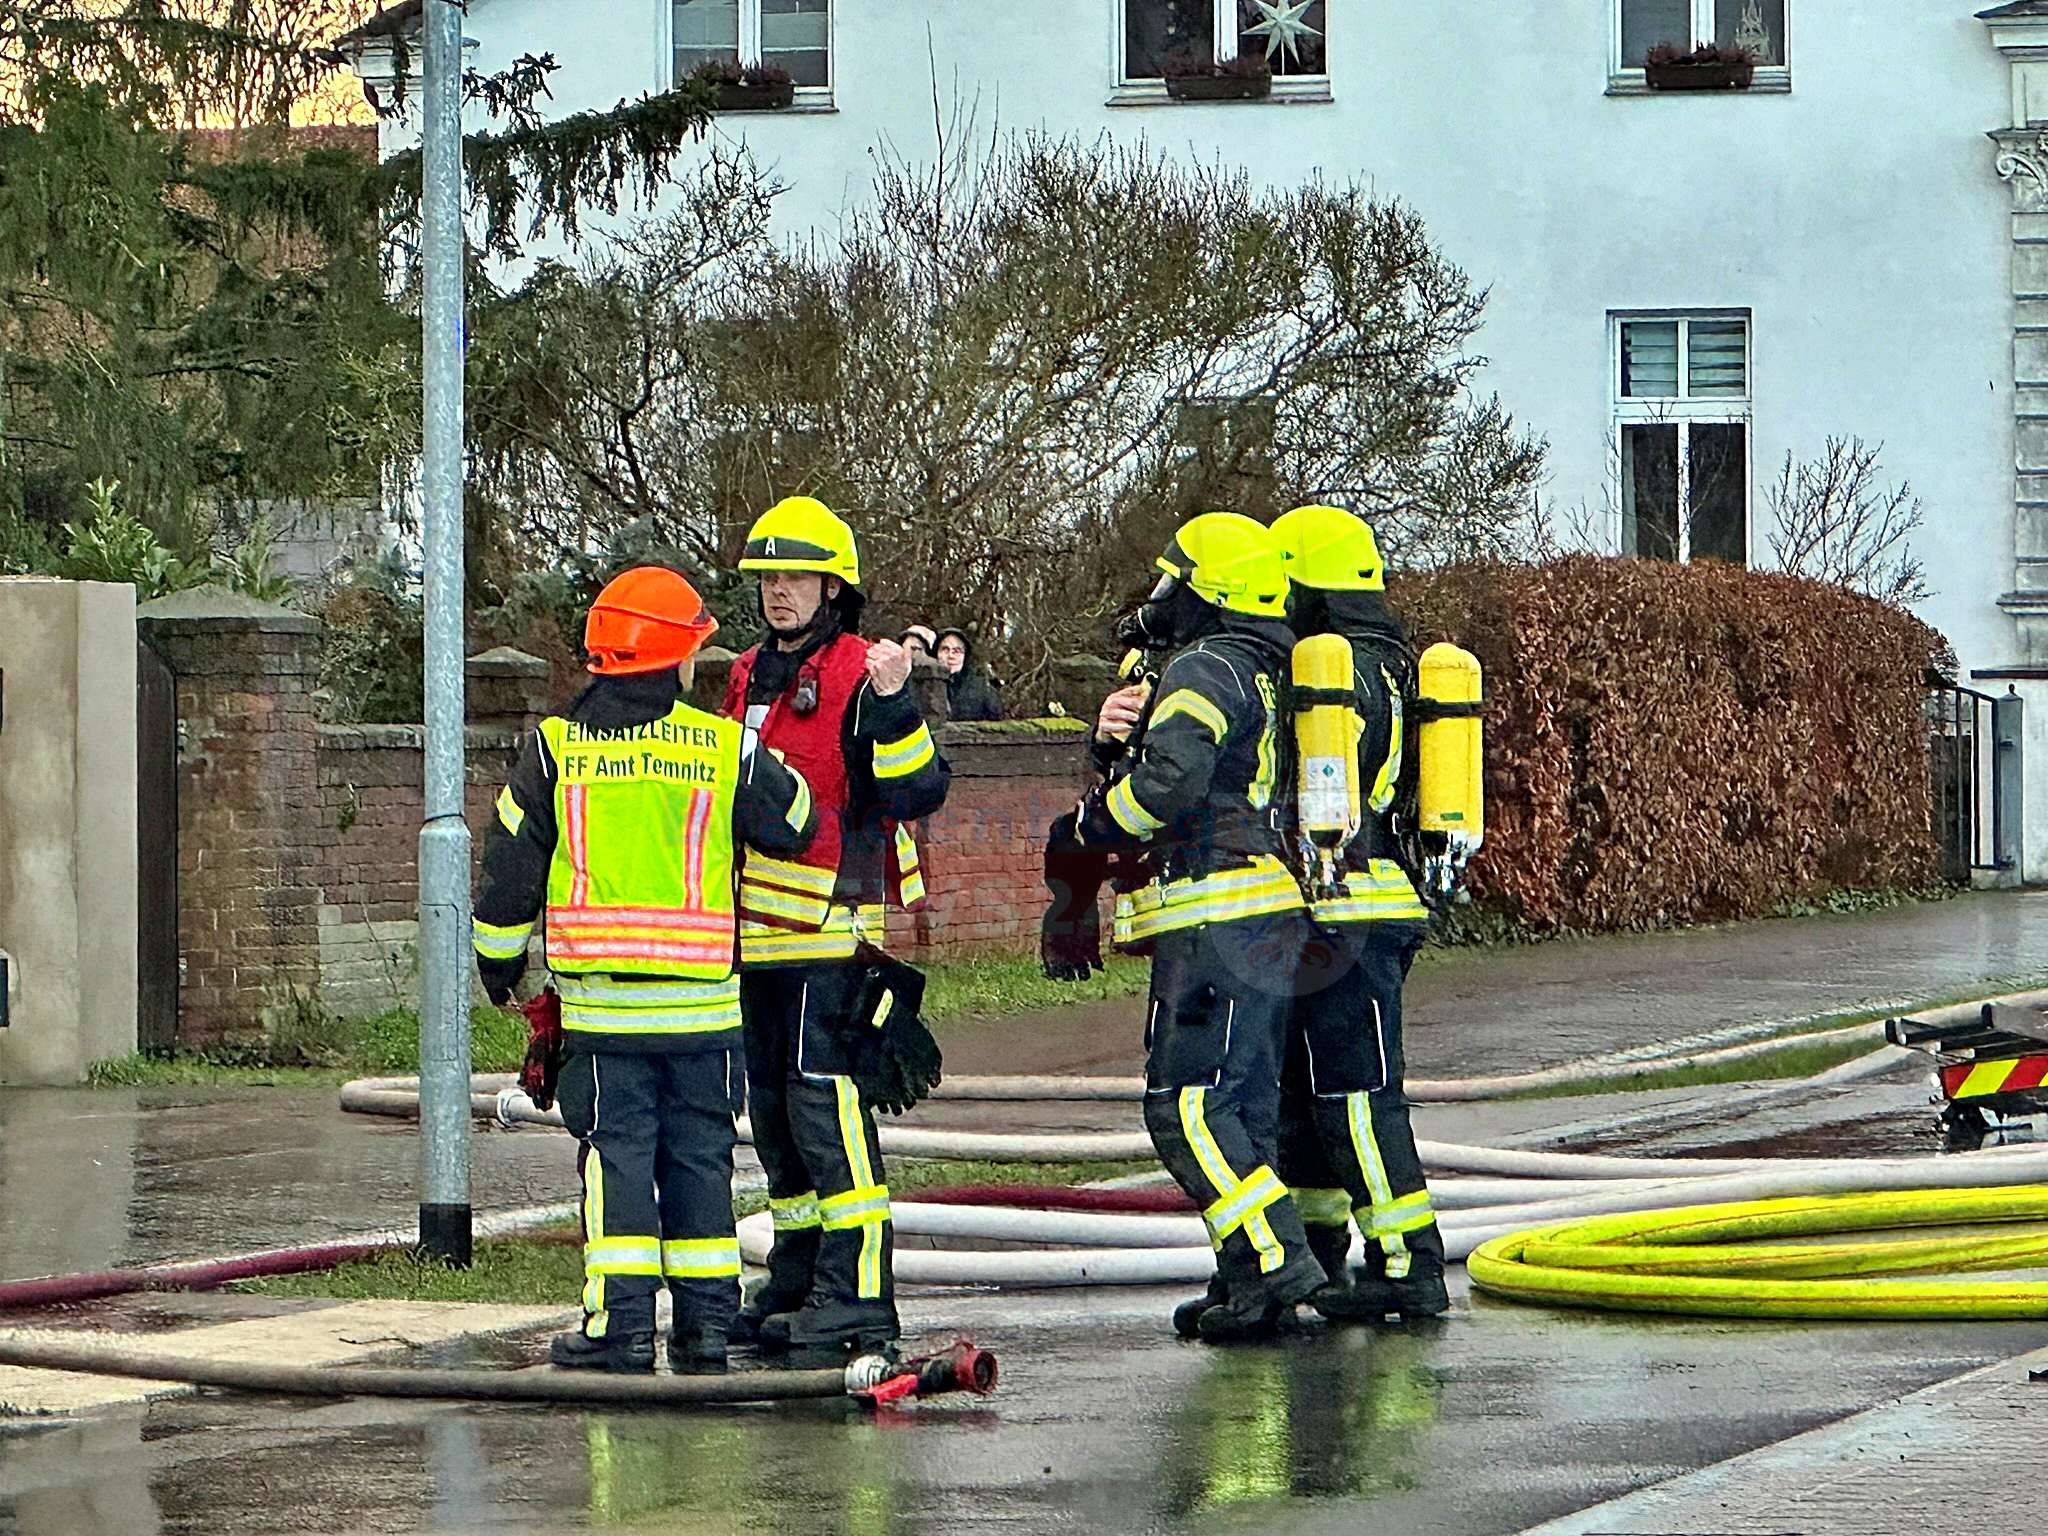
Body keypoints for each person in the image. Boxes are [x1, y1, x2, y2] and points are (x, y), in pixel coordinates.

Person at [471, 567, 818, 1375]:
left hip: (605, 1018)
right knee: (700, 1163)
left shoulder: (556, 751)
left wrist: (500, 969)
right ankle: (706, 1330)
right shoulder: (722, 748)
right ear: (679, 658)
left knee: (618, 1162)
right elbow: (797, 820)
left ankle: (620, 1331)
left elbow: (509, 871)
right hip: (705, 1016)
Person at [1060, 512, 1324, 1342]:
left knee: (1187, 1109)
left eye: (1170, 580)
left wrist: (1094, 826)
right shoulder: (1269, 669)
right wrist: (1113, 743)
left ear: (1206, 590)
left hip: (1216, 917)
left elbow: (1170, 783)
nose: (1158, 596)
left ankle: (1278, 1261)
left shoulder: (1203, 667)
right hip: (1265, 912)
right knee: (1243, 1110)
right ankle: (1250, 1285)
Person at [720, 495, 951, 1356]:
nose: (779, 591)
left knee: (826, 1108)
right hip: (755, 937)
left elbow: (918, 790)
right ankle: (798, 1273)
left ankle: (858, 1293)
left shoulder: (863, 672)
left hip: (830, 933)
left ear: (833, 587)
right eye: (768, 577)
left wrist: (895, 705)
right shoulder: (747, 673)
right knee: (774, 1114)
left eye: (796, 577)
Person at [1267, 503, 1447, 1321]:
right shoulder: (1396, 668)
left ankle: (1409, 1263)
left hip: (1346, 909)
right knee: (1310, 1093)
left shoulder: (1329, 675)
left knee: (1355, 1094)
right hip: (1374, 901)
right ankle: (1321, 1250)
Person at [934, 627, 1004, 721]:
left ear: (965, 656)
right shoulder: (924, 686)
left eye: (957, 651)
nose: (951, 656)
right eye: (945, 650)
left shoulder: (982, 688)